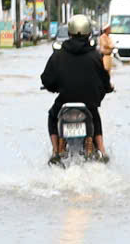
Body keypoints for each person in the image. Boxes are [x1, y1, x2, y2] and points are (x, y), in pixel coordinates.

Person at [40, 12, 112, 161]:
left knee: (52, 115)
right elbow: (104, 79)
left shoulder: (58, 55)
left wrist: (52, 87)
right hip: (89, 103)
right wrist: (107, 88)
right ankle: (102, 151)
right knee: (95, 115)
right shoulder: (95, 56)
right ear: (88, 33)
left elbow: (46, 79)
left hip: (64, 101)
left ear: (70, 32)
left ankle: (55, 151)